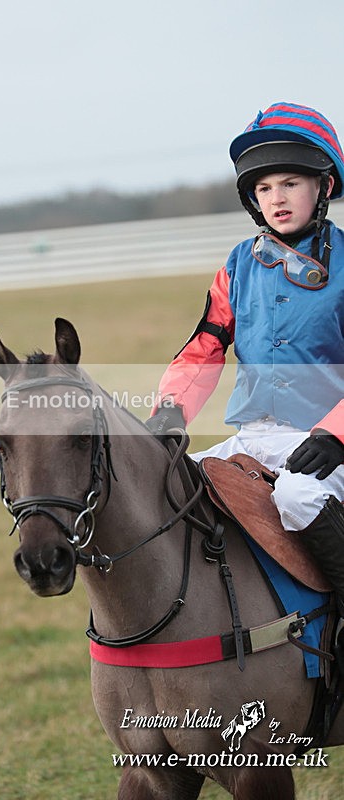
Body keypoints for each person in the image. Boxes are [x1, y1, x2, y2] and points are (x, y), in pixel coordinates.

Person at [146, 102, 344, 622]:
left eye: (290, 183)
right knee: (166, 485)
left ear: (323, 186)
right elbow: (203, 349)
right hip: (255, 435)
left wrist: (335, 435)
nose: (276, 198)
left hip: (326, 448)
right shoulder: (237, 267)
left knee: (300, 499)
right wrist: (171, 409)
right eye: (263, 189)